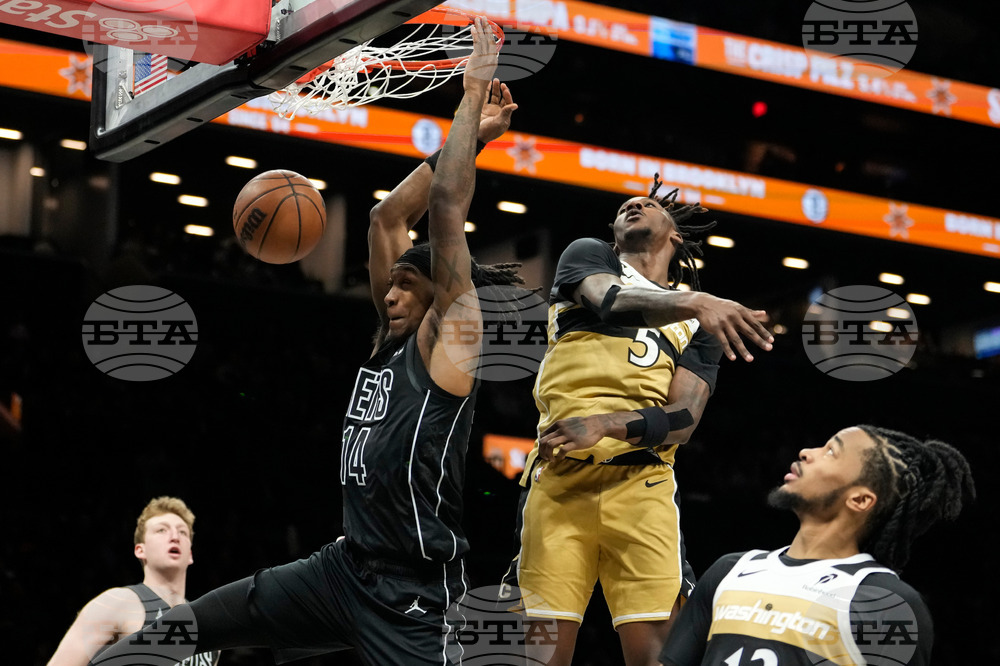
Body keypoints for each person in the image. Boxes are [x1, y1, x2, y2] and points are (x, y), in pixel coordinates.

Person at [90, 18, 520, 666]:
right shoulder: (391, 331)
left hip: (415, 592)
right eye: (391, 283)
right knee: (182, 630)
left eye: (408, 285)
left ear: (439, 298)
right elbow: (386, 217)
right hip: (342, 570)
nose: (391, 294)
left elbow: (445, 213)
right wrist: (466, 143)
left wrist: (467, 106)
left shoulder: (452, 339)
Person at [513, 178, 774, 666]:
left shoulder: (701, 324)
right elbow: (609, 302)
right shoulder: (590, 258)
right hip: (558, 480)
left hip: (643, 485)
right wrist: (698, 301)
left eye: (650, 204)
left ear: (675, 236)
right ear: (613, 236)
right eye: (626, 205)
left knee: (655, 658)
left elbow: (682, 419)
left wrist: (608, 424)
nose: (634, 203)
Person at [659, 425, 975, 666]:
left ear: (861, 499)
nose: (807, 452)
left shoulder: (886, 602)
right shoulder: (730, 570)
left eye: (831, 452)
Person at [48, 496, 219, 666]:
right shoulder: (115, 603)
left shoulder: (206, 628)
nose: (175, 537)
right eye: (162, 530)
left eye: (182, 532)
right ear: (140, 550)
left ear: (190, 554)